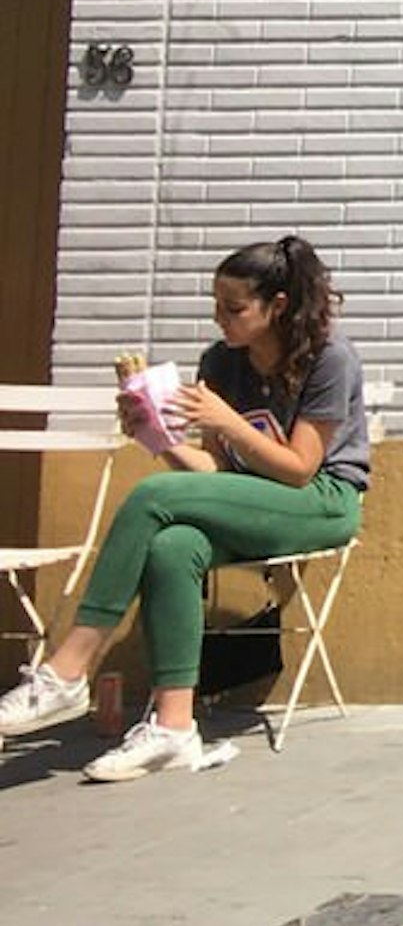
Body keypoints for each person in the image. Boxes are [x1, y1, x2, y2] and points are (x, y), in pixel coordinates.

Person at [0, 234, 372, 780]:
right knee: (175, 544)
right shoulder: (221, 362)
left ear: (278, 306)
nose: (220, 318)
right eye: (215, 305)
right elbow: (216, 476)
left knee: (151, 497)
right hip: (252, 501)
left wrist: (226, 421)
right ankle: (174, 728)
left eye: (234, 308)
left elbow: (299, 469)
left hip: (322, 501)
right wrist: (157, 436)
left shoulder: (329, 358)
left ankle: (67, 669)